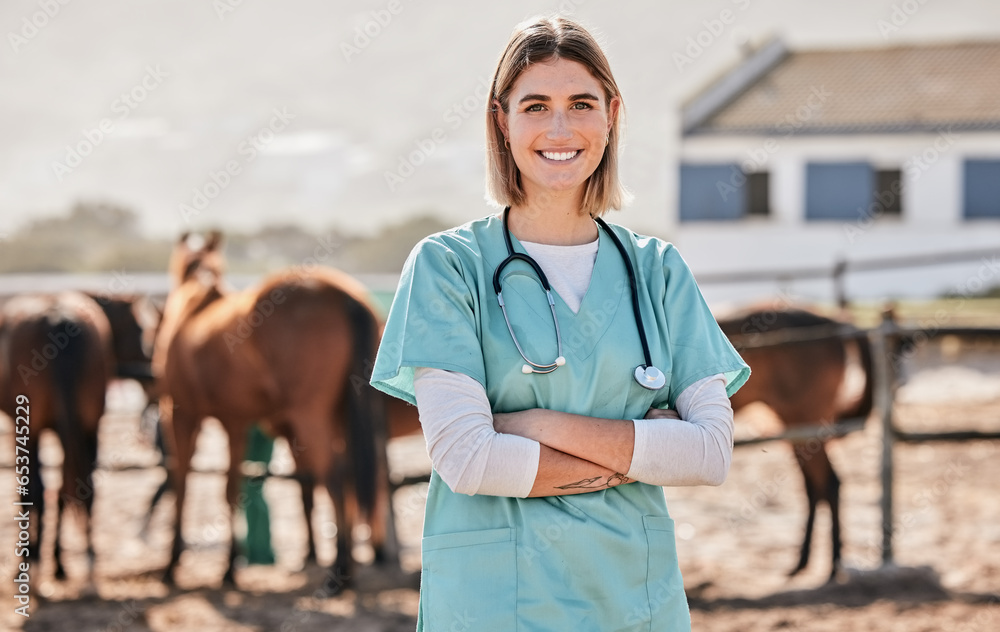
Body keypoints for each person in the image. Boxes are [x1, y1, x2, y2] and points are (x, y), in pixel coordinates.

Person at [371, 15, 750, 631]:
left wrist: (533, 425)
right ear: (502, 121)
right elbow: (469, 460)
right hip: (497, 601)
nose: (559, 128)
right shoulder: (448, 268)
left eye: (581, 104)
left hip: (634, 595)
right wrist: (639, 451)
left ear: (612, 115)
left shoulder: (658, 271)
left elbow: (709, 453)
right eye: (536, 106)